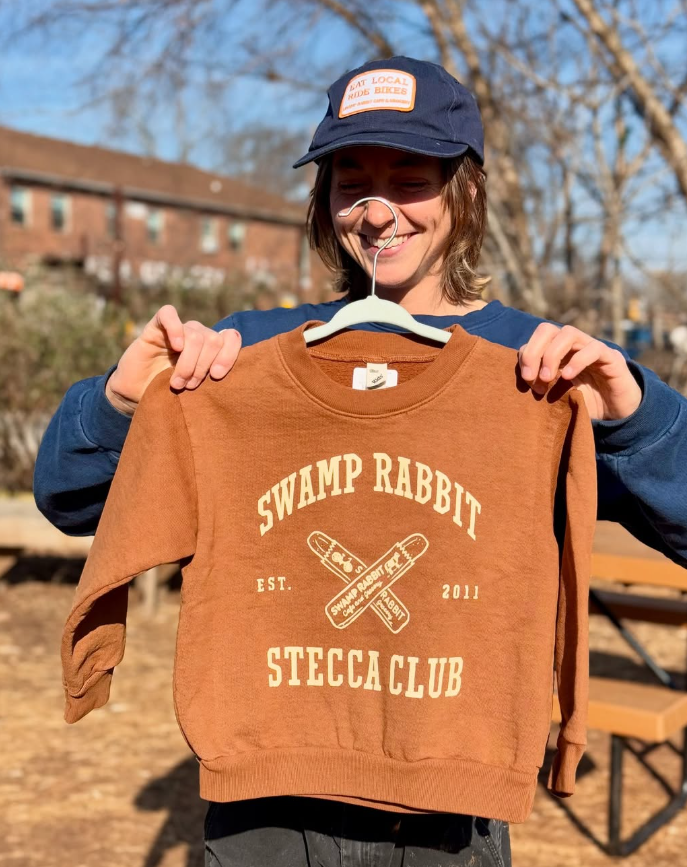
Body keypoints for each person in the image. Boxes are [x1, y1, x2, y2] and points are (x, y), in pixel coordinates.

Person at [34, 56, 687, 867]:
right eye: (352, 180)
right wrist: (123, 401)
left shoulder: (538, 370)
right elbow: (68, 497)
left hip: (451, 804)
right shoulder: (246, 359)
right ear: (324, 198)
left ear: (466, 189)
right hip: (263, 804)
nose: (378, 212)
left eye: (410, 177)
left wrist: (635, 415)